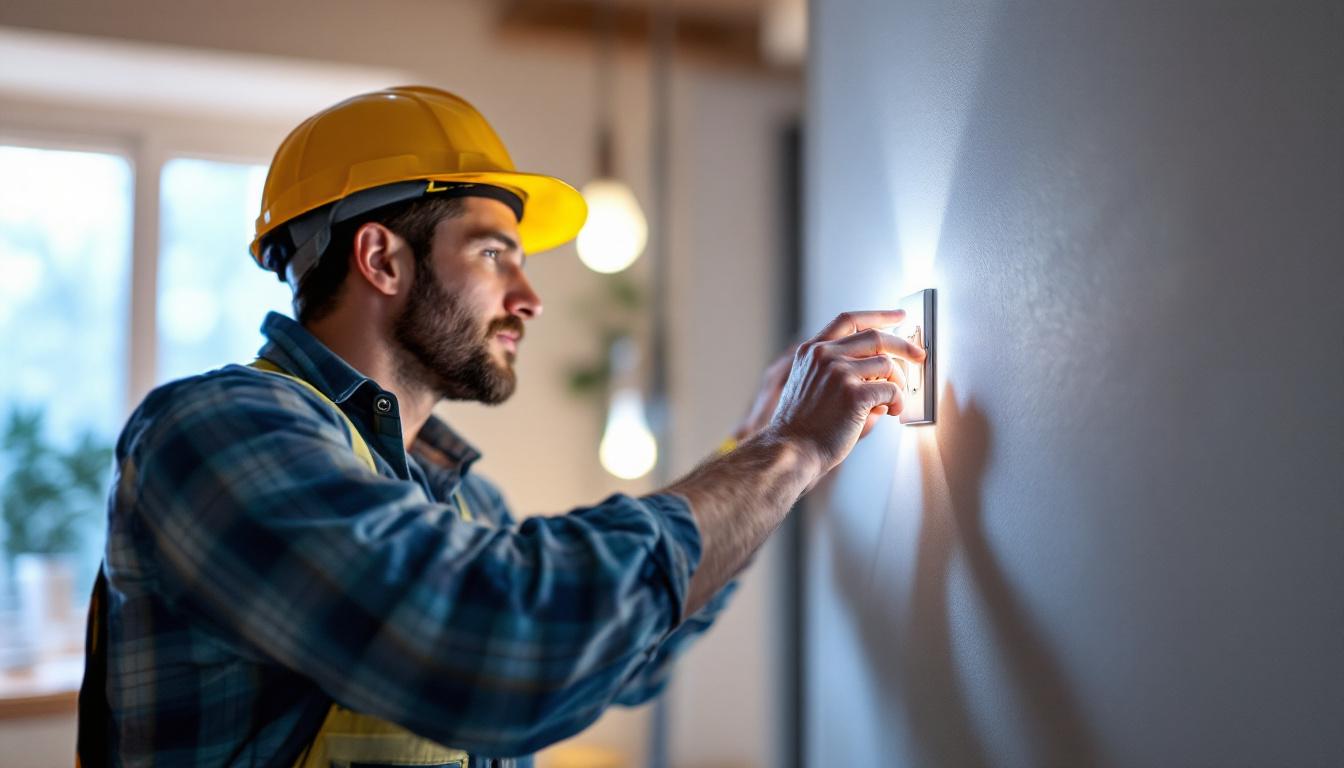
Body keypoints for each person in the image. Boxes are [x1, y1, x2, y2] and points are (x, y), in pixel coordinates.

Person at [77, 86, 924, 767]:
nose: (530, 298)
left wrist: (754, 449)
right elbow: (494, 644)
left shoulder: (460, 498)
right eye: (494, 253)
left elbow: (619, 652)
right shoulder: (213, 431)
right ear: (381, 259)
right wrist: (784, 452)